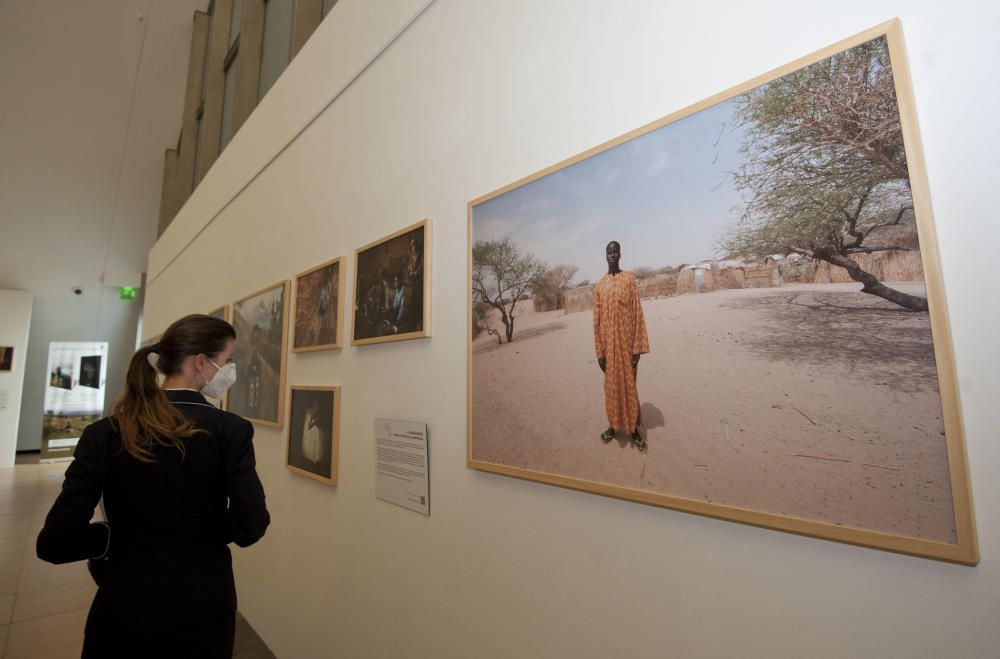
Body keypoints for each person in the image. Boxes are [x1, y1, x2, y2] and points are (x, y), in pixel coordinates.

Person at [36, 314, 270, 658]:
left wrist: (111, 539)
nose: (230, 370)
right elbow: (251, 526)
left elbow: (56, 543)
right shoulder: (229, 430)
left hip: (123, 604)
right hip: (202, 605)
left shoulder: (103, 433)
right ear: (201, 363)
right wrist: (203, 531)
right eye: (228, 361)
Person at [593, 241, 650, 450]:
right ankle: (613, 426)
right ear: (605, 255)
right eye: (609, 251)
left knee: (629, 386)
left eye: (615, 251)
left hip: (627, 348)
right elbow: (596, 322)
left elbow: (637, 312)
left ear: (620, 254)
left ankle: (633, 429)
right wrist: (600, 353)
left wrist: (638, 348)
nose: (613, 254)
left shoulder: (629, 280)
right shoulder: (599, 286)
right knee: (611, 388)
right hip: (609, 349)